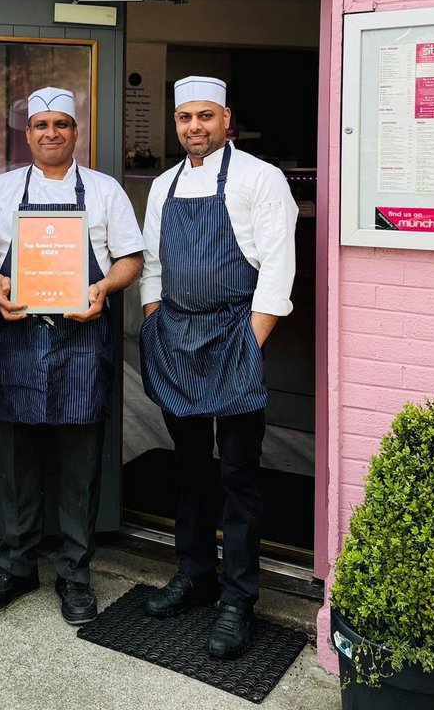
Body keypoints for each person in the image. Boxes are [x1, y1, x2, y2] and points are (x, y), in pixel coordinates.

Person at [0, 86, 144, 625]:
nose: (51, 133)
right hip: (18, 338)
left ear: (76, 131)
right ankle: (17, 565)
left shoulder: (104, 190)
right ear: (28, 133)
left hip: (82, 340)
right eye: (41, 124)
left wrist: (103, 290)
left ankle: (74, 573)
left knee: (78, 465)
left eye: (61, 124)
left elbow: (130, 258)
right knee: (18, 461)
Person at [139, 75, 298, 659]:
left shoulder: (261, 178)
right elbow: (153, 263)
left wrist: (249, 346)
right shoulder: (163, 185)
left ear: (227, 118)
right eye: (185, 118)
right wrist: (156, 320)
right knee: (189, 469)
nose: (194, 128)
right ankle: (194, 573)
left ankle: (238, 598)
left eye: (205, 116)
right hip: (176, 335)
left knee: (238, 476)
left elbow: (278, 271)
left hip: (234, 334)